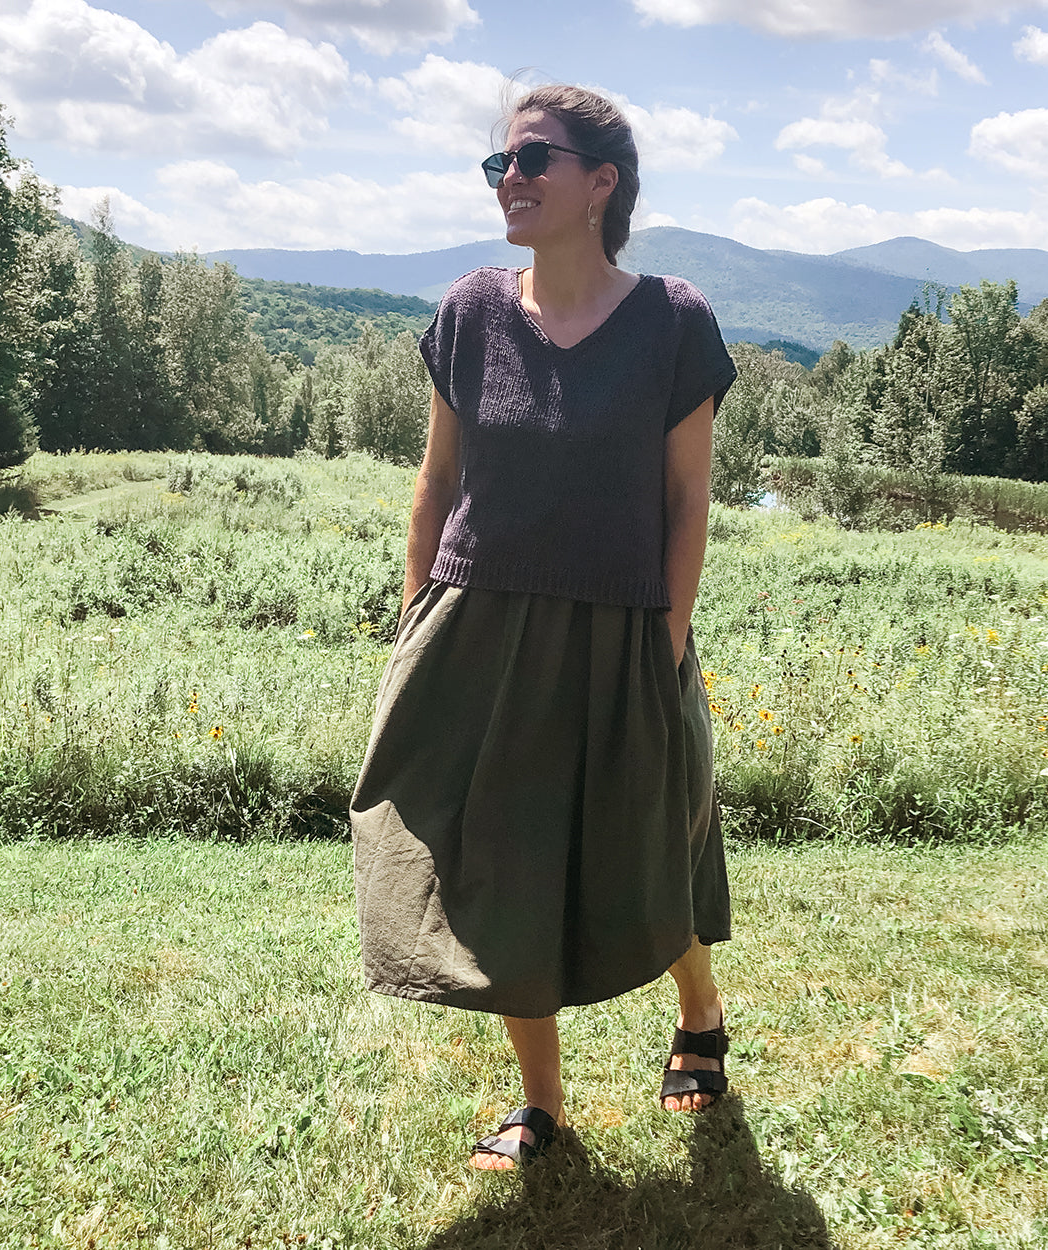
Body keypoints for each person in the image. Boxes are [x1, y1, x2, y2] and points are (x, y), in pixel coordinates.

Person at [349, 83, 737, 1171]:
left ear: (600, 183)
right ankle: (539, 1104)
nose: (507, 179)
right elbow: (437, 479)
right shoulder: (470, 310)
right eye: (498, 164)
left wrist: (663, 642)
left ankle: (698, 1011)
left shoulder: (672, 321)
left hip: (625, 630)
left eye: (532, 161)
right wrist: (418, 617)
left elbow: (686, 500)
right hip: (479, 627)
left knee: (648, 848)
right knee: (504, 863)